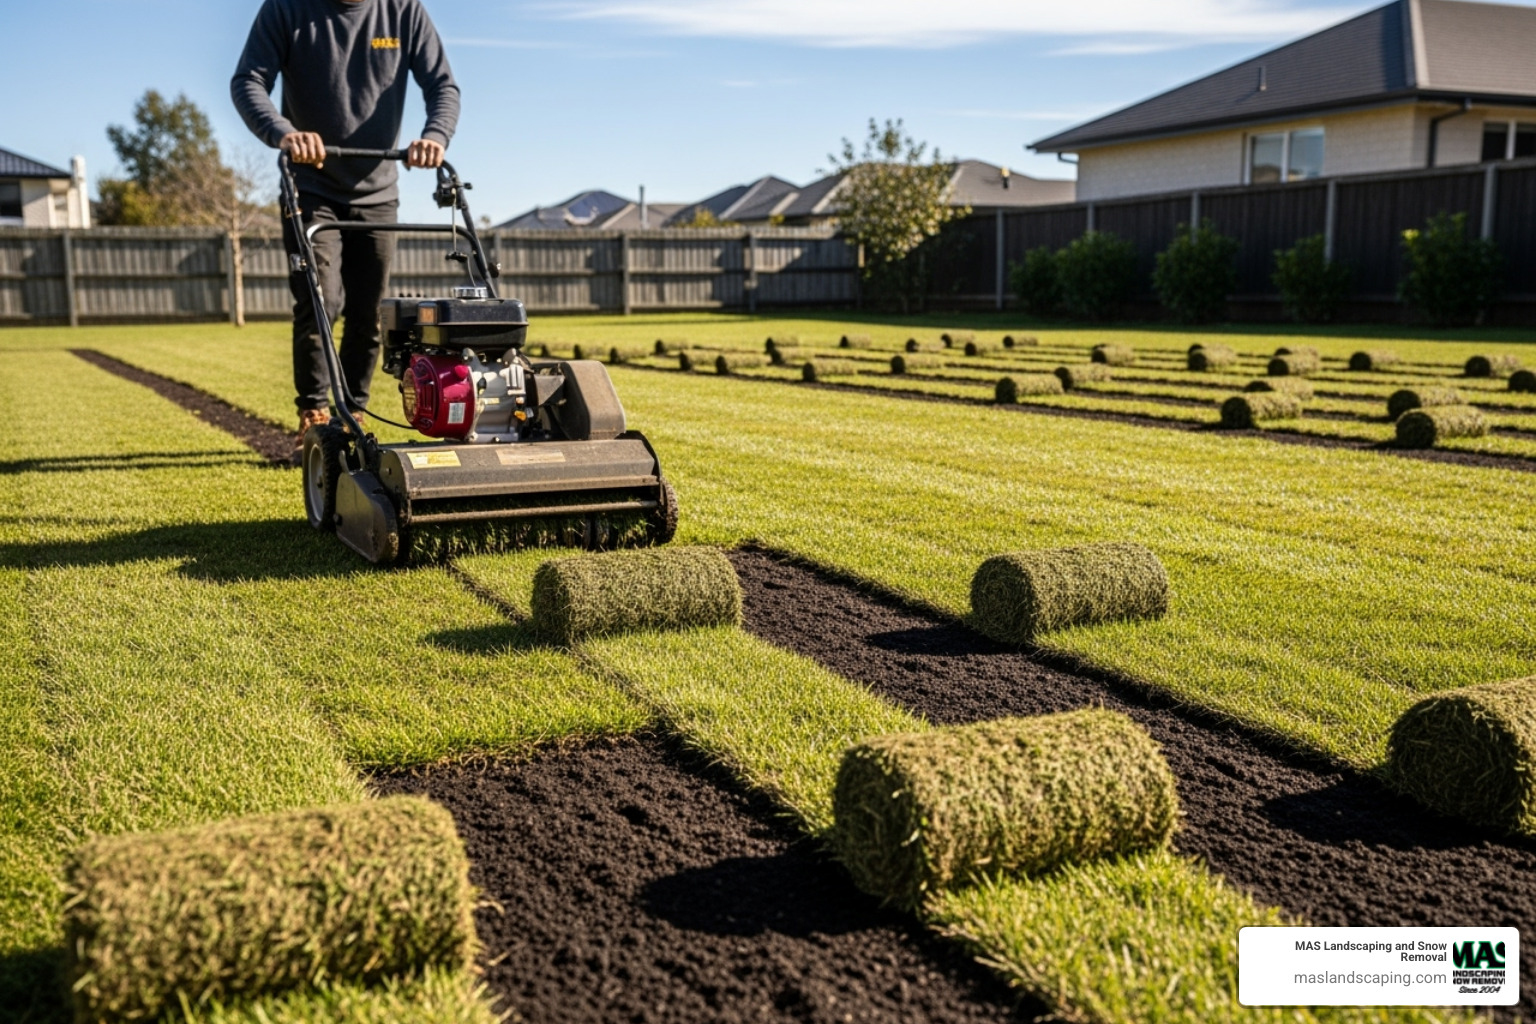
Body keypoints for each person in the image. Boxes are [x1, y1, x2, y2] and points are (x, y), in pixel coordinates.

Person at [231, 0, 459, 451]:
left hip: (378, 187)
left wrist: (435, 136)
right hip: (311, 185)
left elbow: (443, 86)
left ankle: (353, 412)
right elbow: (249, 80)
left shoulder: (403, 12)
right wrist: (283, 132)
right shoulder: (287, 9)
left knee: (368, 312)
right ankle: (314, 414)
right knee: (321, 299)